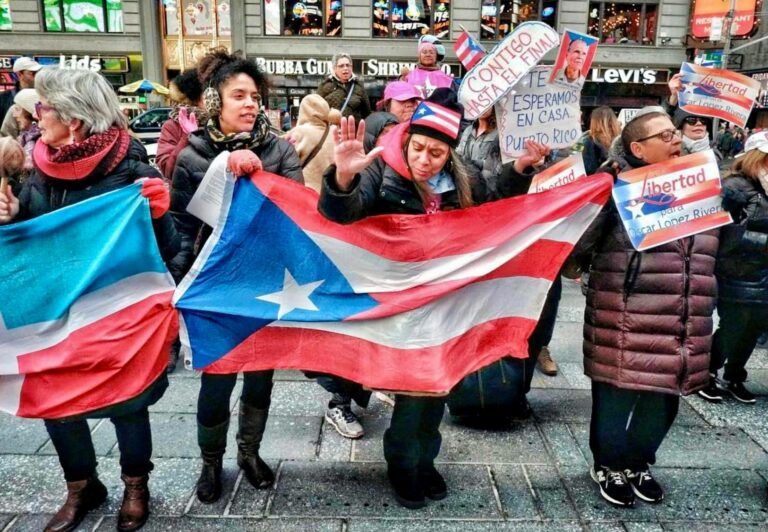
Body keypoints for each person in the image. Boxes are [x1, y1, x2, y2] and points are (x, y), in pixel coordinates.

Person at [318, 88, 543, 509]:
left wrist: (521, 169)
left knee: (437, 385)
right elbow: (341, 215)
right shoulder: (379, 169)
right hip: (397, 303)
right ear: (406, 139)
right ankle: (404, 466)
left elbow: (496, 203)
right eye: (418, 148)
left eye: (436, 153)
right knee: (412, 390)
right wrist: (343, 177)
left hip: (446, 303)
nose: (424, 159)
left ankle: (426, 458)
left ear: (450, 153)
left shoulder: (466, 177)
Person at [0, 67, 178, 532]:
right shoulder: (38, 169)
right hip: (55, 313)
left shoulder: (134, 171)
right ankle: (82, 486)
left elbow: (169, 249)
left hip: (114, 314)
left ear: (74, 119)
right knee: (57, 400)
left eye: (44, 108)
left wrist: (158, 216)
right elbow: (34, 242)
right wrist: (13, 218)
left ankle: (136, 486)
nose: (37, 117)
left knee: (127, 401)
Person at [170, 49, 303, 505]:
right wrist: (180, 283)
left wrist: (260, 177)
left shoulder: (280, 150)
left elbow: (296, 214)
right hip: (215, 286)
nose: (250, 104)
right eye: (238, 95)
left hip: (265, 282)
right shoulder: (192, 155)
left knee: (261, 376)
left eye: (255, 96)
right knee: (217, 378)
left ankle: (249, 453)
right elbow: (182, 225)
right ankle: (210, 463)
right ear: (215, 103)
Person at [570, 107, 718, 508]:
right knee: (616, 396)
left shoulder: (702, 180)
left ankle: (638, 463)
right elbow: (576, 251)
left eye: (676, 134)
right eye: (666, 136)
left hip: (685, 312)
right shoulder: (614, 187)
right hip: (628, 315)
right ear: (638, 147)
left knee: (665, 397)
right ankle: (609, 465)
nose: (676, 140)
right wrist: (602, 197)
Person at [698, 131, 768, 404]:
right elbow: (723, 232)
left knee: (755, 326)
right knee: (735, 324)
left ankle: (734, 374)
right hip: (738, 271)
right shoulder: (736, 187)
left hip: (763, 274)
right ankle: (707, 371)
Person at [156, 68, 207, 181]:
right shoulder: (172, 126)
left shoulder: (221, 120)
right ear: (193, 99)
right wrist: (187, 137)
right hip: (186, 193)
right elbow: (168, 170)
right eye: (206, 95)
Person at [283, 93, 341, 192]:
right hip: (329, 193)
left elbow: (285, 160)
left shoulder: (299, 132)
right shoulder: (335, 133)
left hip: (305, 191)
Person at [316, 52, 371, 122]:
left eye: (348, 65)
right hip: (332, 130)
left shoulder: (359, 86)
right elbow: (316, 111)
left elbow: (367, 113)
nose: (345, 68)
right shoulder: (325, 86)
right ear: (334, 68)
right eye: (341, 66)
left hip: (353, 130)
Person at [0, 57, 42, 138]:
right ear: (20, 74)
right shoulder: (3, 98)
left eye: (38, 72)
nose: (37, 76)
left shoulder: (44, 97)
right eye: (33, 73)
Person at [581, 106, 621, 175]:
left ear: (594, 121)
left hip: (597, 181)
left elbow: (589, 169)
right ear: (614, 120)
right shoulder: (622, 139)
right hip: (620, 181)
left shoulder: (587, 140)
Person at [11, 88, 41, 171]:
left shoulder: (35, 141)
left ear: (29, 112)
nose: (14, 115)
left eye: (17, 109)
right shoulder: (25, 136)